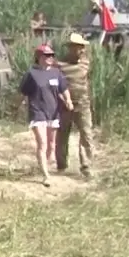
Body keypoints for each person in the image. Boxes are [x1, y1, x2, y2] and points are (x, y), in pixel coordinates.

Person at [19, 43, 74, 187]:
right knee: (42, 143)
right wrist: (18, 106)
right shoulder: (31, 73)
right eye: (47, 55)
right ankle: (46, 175)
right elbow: (23, 93)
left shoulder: (56, 73)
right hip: (37, 112)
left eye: (52, 55)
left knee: (51, 145)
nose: (50, 57)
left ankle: (44, 166)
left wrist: (68, 100)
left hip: (53, 112)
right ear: (39, 57)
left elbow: (64, 89)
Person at [56, 33, 95, 178]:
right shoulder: (60, 65)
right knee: (62, 135)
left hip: (83, 105)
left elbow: (88, 81)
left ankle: (86, 165)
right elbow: (56, 86)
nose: (82, 50)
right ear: (71, 48)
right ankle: (61, 165)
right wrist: (63, 100)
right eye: (79, 47)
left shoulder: (86, 63)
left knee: (86, 134)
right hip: (64, 106)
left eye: (83, 47)